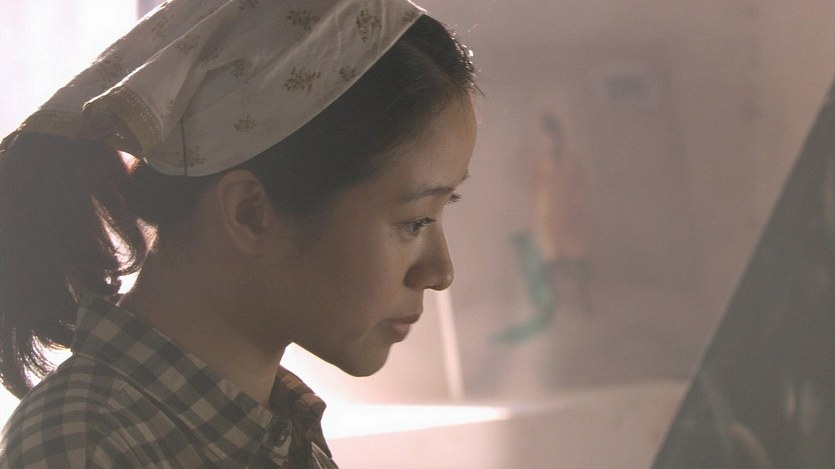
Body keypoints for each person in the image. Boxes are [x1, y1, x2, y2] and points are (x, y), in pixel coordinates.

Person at [0, 0, 478, 467]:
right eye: (416, 221)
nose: (440, 273)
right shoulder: (89, 450)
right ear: (250, 213)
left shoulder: (273, 429)